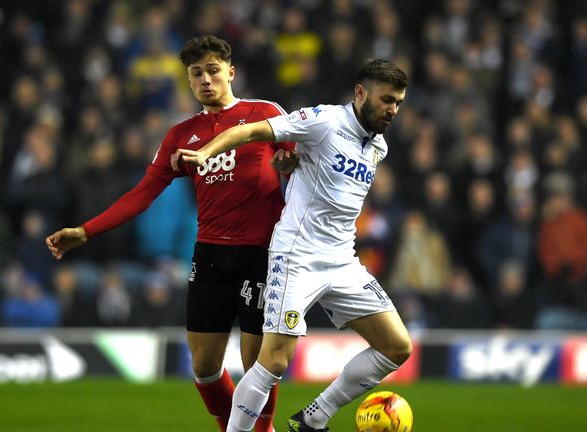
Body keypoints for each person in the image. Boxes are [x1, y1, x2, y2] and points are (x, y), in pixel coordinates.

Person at [46, 35, 297, 432]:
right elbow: (142, 194)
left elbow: (305, 160)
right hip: (210, 256)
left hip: (262, 254)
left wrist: (290, 164)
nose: (205, 80)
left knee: (256, 366)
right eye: (196, 74)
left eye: (213, 71)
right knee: (204, 367)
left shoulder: (264, 113)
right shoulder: (181, 135)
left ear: (231, 73)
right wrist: (85, 230)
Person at [175, 58, 412, 432]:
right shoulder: (324, 121)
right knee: (274, 362)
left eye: (398, 102)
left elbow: (314, 174)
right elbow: (253, 132)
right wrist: (207, 152)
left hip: (341, 260)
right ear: (361, 93)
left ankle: (314, 418)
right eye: (387, 100)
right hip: (297, 255)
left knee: (397, 346)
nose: (393, 110)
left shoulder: (377, 145)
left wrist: (293, 166)